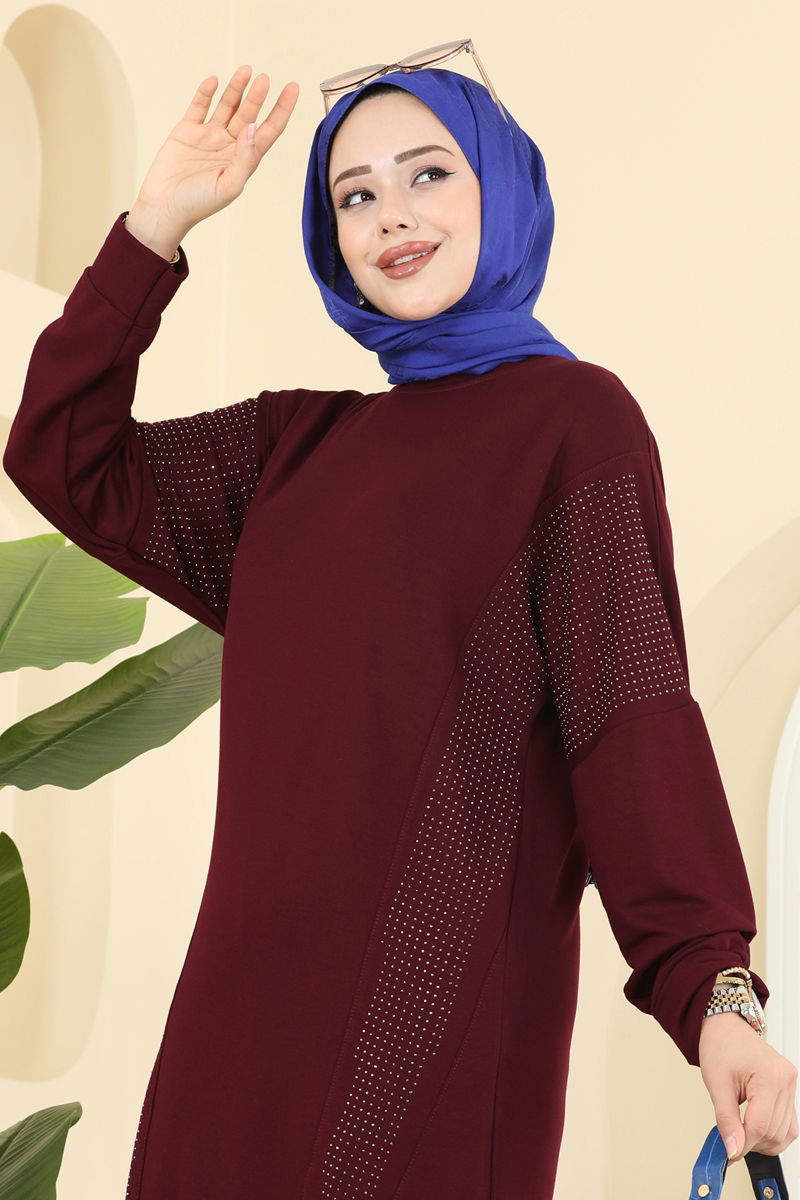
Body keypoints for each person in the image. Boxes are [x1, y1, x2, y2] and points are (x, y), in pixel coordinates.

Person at [4, 51, 797, 1200]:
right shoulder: (291, 451)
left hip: (430, 1045)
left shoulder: (572, 426)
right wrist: (153, 229)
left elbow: (631, 732)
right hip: (230, 1045)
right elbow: (63, 451)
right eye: (355, 195)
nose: (391, 216)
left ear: (499, 187)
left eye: (427, 173)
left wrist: (714, 997)